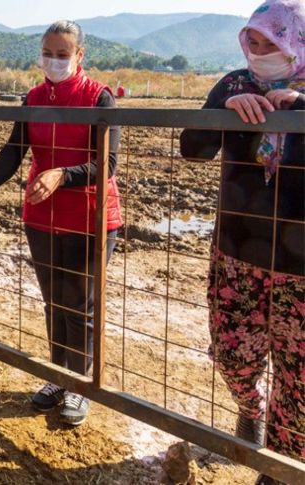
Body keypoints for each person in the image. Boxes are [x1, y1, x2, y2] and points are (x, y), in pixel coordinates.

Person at [0, 20, 123, 426]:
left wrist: (61, 175)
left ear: (80, 56)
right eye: (48, 53)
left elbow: (107, 164)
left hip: (89, 219)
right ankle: (58, 376)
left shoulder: (99, 99)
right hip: (42, 217)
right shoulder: (34, 97)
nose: (54, 61)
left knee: (81, 305)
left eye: (63, 54)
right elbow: (15, 148)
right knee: (54, 300)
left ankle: (81, 385)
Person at [180, 1, 304, 482]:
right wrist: (222, 112)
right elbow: (192, 149)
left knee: (298, 378)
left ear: (294, 40)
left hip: (301, 262)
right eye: (251, 42)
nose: (257, 53)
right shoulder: (234, 84)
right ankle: (249, 409)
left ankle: (278, 466)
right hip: (237, 249)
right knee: (233, 353)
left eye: (268, 44)